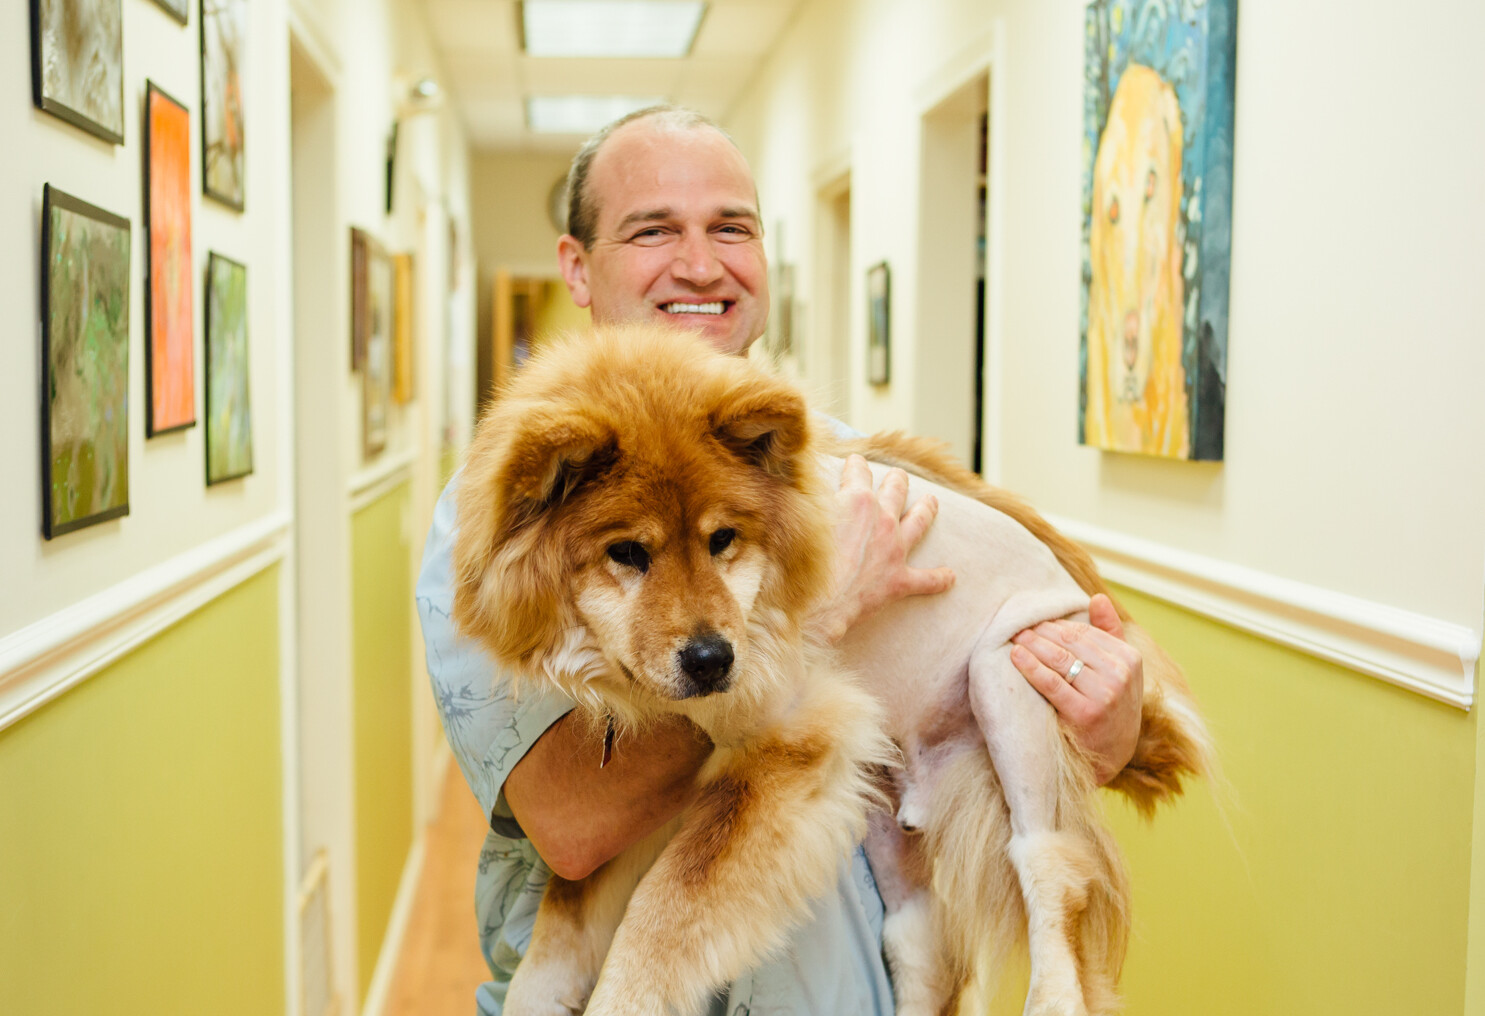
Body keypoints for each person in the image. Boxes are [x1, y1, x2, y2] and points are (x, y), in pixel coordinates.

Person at [415, 105, 1144, 1016]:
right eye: (654, 231)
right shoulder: (504, 525)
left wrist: (1107, 728)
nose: (699, 263)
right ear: (577, 267)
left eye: (732, 227)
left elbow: (998, 705)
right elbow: (570, 826)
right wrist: (810, 617)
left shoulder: (831, 467)